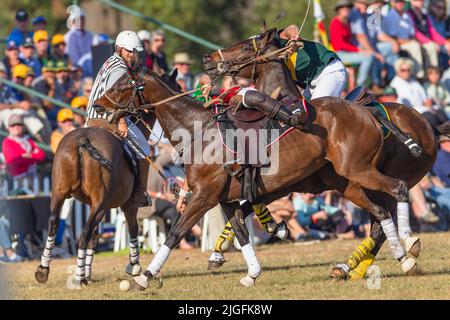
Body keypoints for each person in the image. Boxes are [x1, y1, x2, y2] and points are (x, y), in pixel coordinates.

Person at [85, 30, 151, 207]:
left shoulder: (111, 62)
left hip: (91, 118)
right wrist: (121, 120)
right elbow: (114, 97)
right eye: (129, 51)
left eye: (134, 52)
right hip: (109, 118)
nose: (132, 55)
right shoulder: (120, 68)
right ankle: (139, 193)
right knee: (145, 149)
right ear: (119, 48)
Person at [390, 57, 448, 128]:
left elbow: (424, 96)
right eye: (403, 70)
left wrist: (427, 102)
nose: (406, 72)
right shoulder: (395, 84)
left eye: (408, 70)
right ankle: (436, 138)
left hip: (424, 107)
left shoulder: (413, 81)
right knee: (432, 118)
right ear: (397, 70)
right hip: (411, 111)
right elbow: (401, 103)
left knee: (442, 115)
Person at [330, 0, 374, 88]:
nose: (346, 9)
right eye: (343, 7)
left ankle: (372, 82)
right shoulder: (335, 23)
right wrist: (357, 50)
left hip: (347, 52)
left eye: (348, 7)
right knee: (368, 57)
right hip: (339, 53)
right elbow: (340, 44)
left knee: (370, 54)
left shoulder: (347, 22)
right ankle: (361, 85)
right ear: (339, 10)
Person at [0, 62, 46, 143]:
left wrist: (23, 101)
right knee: (14, 112)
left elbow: (23, 103)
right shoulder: (9, 86)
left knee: (32, 112)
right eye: (18, 77)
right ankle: (40, 141)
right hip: (6, 118)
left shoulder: (7, 87)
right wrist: (19, 105)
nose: (1, 75)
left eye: (2, 72)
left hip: (12, 117)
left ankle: (41, 141)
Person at [382, 0, 427, 79]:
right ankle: (418, 76)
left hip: (408, 42)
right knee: (415, 47)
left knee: (426, 47)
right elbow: (393, 37)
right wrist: (410, 42)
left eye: (402, 2)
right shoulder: (390, 16)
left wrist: (417, 41)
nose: (400, 4)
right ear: (392, 3)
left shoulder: (407, 16)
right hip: (398, 44)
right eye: (397, 2)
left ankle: (428, 74)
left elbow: (412, 34)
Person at [350, 0, 386, 92]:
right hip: (355, 48)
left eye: (367, 4)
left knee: (386, 49)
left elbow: (378, 35)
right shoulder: (355, 14)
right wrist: (375, 53)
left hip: (363, 47)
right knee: (371, 56)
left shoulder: (367, 15)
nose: (366, 6)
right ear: (356, 3)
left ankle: (382, 81)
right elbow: (360, 37)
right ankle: (361, 87)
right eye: (363, 4)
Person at [1, 114, 45, 181]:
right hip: (17, 178)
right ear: (9, 128)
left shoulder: (28, 140)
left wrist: (29, 155)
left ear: (22, 126)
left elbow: (41, 155)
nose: (16, 127)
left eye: (19, 124)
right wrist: (33, 156)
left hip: (32, 174)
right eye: (13, 125)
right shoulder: (7, 142)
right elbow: (16, 161)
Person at [407, 0, 450, 69]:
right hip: (417, 41)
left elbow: (433, 33)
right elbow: (415, 33)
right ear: (411, 1)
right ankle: (430, 74)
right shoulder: (408, 14)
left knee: (446, 47)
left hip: (428, 42)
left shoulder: (424, 15)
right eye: (417, 0)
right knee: (432, 47)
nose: (420, 2)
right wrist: (430, 42)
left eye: (421, 0)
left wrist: (445, 42)